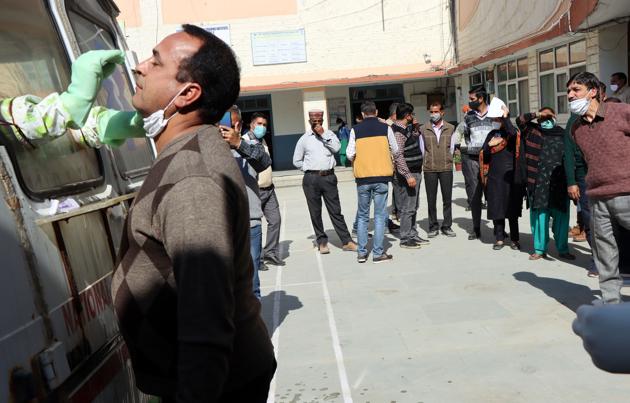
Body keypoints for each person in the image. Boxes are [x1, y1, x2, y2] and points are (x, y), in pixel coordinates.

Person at [111, 26, 275, 401]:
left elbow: (206, 323)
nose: (139, 67)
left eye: (155, 62)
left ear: (187, 94)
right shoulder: (186, 152)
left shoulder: (192, 178)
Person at [567, 71, 630, 304]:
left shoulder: (621, 111)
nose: (570, 95)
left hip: (626, 192)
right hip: (596, 196)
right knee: (604, 252)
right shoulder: (576, 129)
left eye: (576, 90)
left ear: (593, 92)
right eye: (569, 92)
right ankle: (612, 304)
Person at [220, 106, 272, 299]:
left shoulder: (250, 145)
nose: (223, 129)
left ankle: (253, 327)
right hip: (220, 229)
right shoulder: (209, 149)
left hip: (249, 226)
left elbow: (264, 161)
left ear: (238, 124)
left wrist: (238, 144)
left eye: (228, 124)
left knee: (251, 285)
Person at [346, 100, 403, 263]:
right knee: (380, 216)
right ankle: (378, 253)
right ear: (376, 112)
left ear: (363, 114)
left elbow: (350, 154)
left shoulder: (355, 130)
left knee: (363, 216)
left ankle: (362, 253)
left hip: (363, 178)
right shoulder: (386, 128)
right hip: (381, 178)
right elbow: (396, 150)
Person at [293, 109, 357, 254]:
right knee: (315, 212)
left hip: (329, 177)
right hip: (311, 179)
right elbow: (296, 160)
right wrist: (308, 169)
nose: (317, 124)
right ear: (309, 122)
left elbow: (337, 148)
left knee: (336, 211)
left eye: (320, 121)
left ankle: (347, 241)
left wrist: (323, 134)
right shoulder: (304, 139)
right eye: (314, 122)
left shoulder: (329, 135)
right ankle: (322, 242)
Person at [517, 107, 574, 260]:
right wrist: (538, 114)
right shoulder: (532, 131)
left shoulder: (563, 133)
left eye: (549, 117)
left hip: (560, 183)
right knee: (540, 217)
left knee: (562, 217)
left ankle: (563, 248)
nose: (546, 120)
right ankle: (539, 249)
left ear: (555, 118)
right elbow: (520, 120)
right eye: (543, 118)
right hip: (538, 182)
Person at [479, 98, 524, 250]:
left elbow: (512, 131)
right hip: (494, 177)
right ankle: (499, 238)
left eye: (497, 119)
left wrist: (506, 118)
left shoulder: (512, 134)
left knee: (512, 210)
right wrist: (489, 146)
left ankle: (515, 239)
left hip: (510, 176)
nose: (494, 121)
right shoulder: (492, 134)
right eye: (493, 119)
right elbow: (484, 155)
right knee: (497, 208)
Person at [456, 86, 495, 240]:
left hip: (491, 159)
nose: (469, 102)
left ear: (481, 99)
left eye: (472, 99)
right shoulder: (468, 116)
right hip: (472, 159)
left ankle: (499, 228)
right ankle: (476, 228)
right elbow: (463, 134)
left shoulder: (494, 113)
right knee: (474, 195)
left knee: (493, 195)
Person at [248, 112, 285, 269]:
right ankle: (257, 259)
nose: (262, 127)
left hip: (269, 189)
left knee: (275, 220)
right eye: (259, 124)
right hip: (255, 190)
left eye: (264, 125)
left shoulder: (263, 141)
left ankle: (270, 252)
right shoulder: (244, 141)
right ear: (251, 124)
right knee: (256, 225)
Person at [392, 103, 429, 249]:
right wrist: (408, 175)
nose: (413, 117)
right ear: (407, 115)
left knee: (414, 205)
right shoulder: (398, 132)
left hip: (415, 171)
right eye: (412, 114)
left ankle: (412, 234)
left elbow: (413, 138)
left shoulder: (405, 129)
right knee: (408, 207)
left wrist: (415, 127)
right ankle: (405, 238)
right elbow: (398, 155)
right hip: (409, 174)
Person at [420, 101, 457, 238]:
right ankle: (433, 226)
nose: (433, 114)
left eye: (436, 111)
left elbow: (452, 148)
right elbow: (422, 149)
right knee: (431, 199)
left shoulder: (451, 128)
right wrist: (427, 162)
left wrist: (448, 160)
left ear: (442, 112)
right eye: (431, 112)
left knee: (447, 199)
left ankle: (447, 226)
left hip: (446, 168)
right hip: (430, 169)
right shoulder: (423, 129)